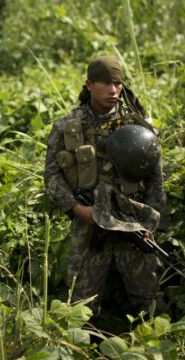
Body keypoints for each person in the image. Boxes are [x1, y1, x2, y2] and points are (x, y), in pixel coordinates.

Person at [44, 55, 166, 318]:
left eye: (117, 84)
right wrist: (79, 210)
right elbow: (52, 177)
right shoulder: (66, 128)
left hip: (132, 223)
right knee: (79, 306)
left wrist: (150, 224)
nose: (113, 90)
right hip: (88, 226)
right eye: (105, 83)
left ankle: (154, 341)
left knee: (149, 299)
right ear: (89, 85)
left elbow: (155, 179)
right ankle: (83, 343)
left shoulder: (137, 126)